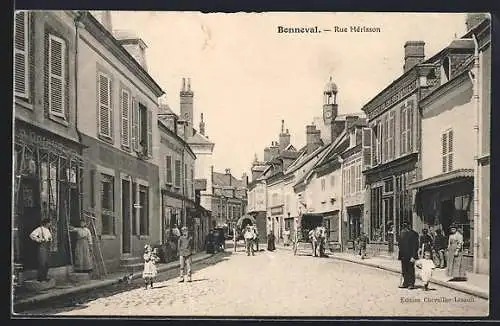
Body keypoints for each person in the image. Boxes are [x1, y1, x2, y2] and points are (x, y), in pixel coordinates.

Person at [398, 222, 419, 289]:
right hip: (403, 255)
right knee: (404, 270)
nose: (405, 228)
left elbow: (415, 246)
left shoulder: (413, 234)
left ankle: (411, 284)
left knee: (410, 270)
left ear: (409, 226)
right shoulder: (401, 233)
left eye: (406, 226)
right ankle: (405, 283)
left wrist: (414, 256)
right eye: (404, 226)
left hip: (410, 255)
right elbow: (399, 244)